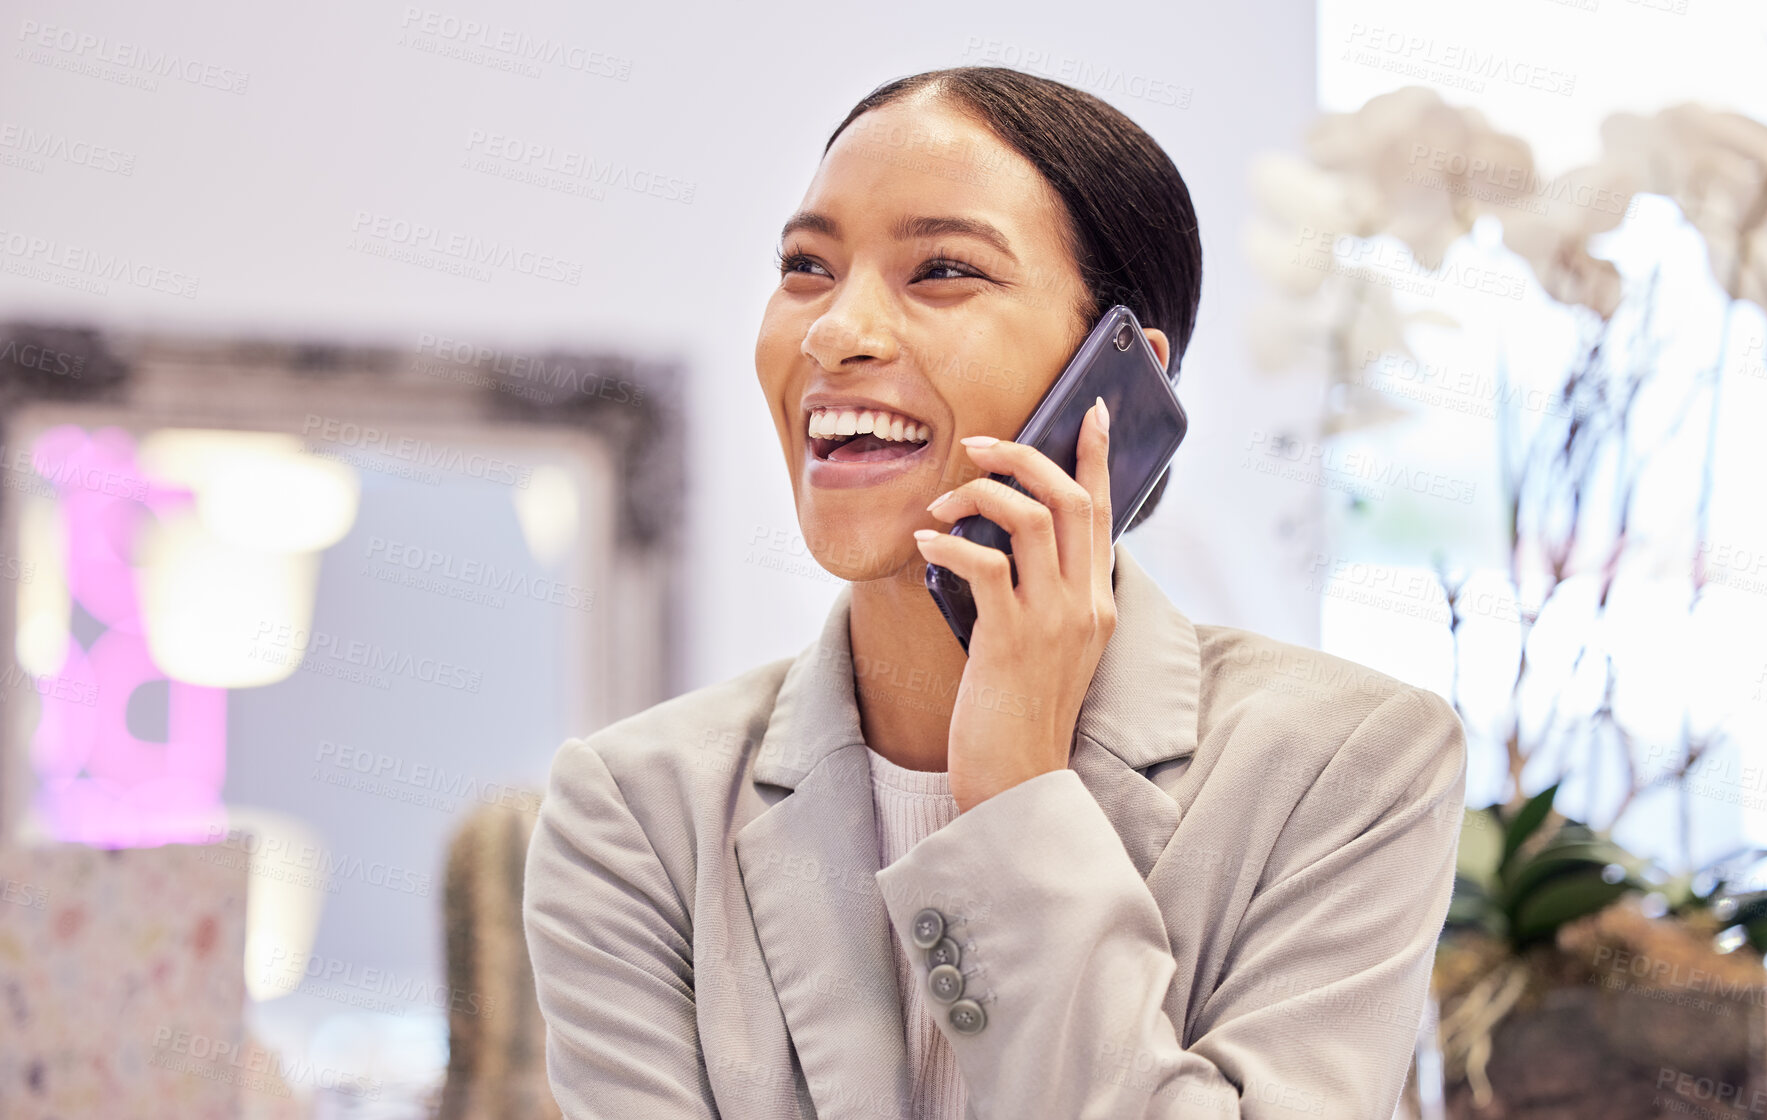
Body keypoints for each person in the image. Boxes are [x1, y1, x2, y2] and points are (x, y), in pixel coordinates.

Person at [522, 65, 1467, 1120]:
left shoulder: (1348, 769)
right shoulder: (637, 815)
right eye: (805, 266)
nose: (835, 331)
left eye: (941, 270)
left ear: (1117, 382)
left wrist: (1014, 796)